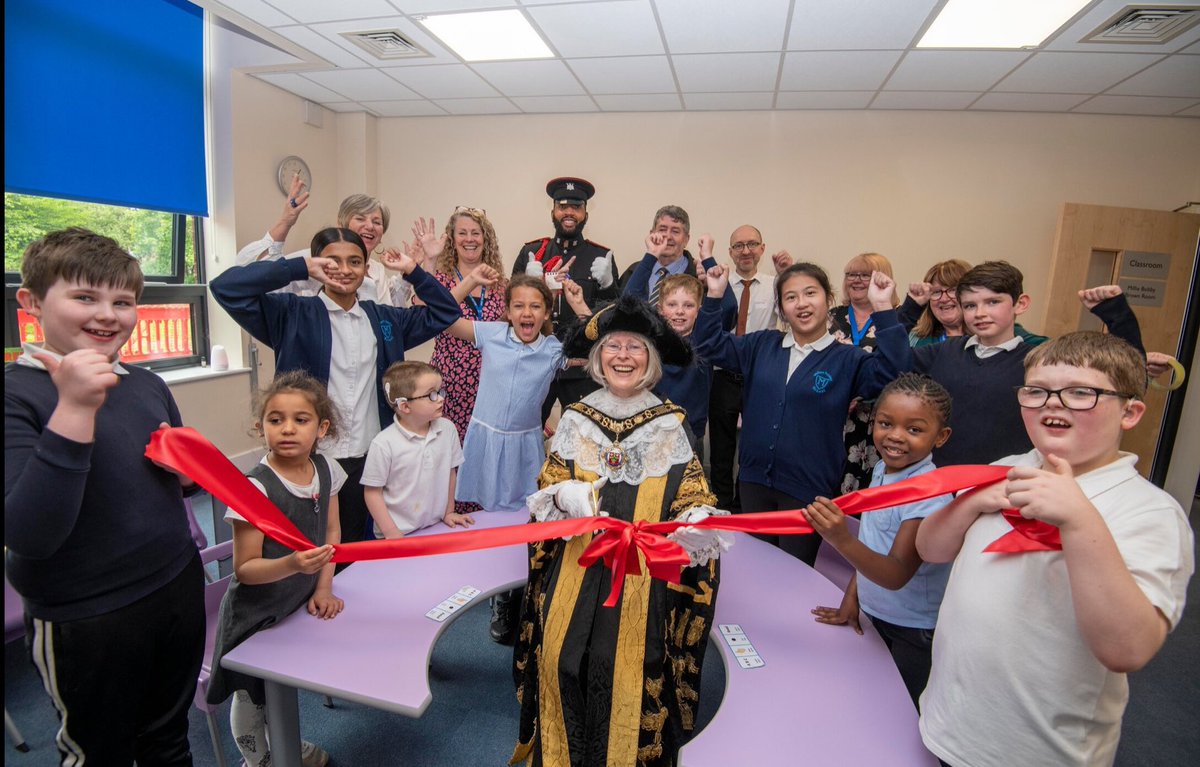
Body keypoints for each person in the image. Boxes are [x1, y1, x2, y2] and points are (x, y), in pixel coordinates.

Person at [916, 331, 1193, 767]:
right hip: (949, 722)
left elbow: (1128, 649)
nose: (1053, 403)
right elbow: (930, 549)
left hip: (1039, 750)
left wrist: (1079, 519)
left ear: (1130, 412)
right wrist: (972, 501)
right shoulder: (1005, 469)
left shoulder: (1149, 512)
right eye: (1037, 391)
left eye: (1082, 392)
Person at [6, 227, 205, 765]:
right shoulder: (15, 395)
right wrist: (74, 406)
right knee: (99, 751)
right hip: (86, 615)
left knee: (168, 737)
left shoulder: (145, 384)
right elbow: (30, 534)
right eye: (84, 297)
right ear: (31, 303)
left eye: (123, 301)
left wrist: (195, 472)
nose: (108, 315)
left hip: (173, 586)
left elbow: (176, 477)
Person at [512, 294, 732, 767]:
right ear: (597, 358)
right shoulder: (574, 417)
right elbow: (547, 484)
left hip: (641, 577)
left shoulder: (671, 425)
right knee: (561, 660)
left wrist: (696, 518)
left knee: (632, 667)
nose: (623, 356)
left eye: (636, 347)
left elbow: (694, 491)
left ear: (651, 362)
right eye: (614, 346)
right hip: (577, 564)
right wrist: (562, 493)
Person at [211, 227, 460, 552]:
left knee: (353, 544)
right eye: (332, 261)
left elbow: (446, 312)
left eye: (355, 261)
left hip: (366, 454)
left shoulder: (384, 318)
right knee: (305, 545)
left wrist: (414, 271)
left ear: (366, 266)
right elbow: (226, 288)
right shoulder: (291, 313)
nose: (344, 269)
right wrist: (297, 267)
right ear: (316, 264)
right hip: (312, 455)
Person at [692, 262, 910, 566]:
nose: (802, 303)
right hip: (754, 482)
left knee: (795, 575)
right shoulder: (761, 345)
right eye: (791, 297)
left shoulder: (847, 359)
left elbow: (895, 372)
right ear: (781, 307)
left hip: (809, 492)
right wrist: (713, 295)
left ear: (828, 299)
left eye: (811, 293)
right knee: (754, 568)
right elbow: (706, 343)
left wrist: (884, 308)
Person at [207, 371, 346, 767]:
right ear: (260, 426)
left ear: (321, 428)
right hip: (254, 613)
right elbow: (245, 569)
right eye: (275, 419)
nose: (287, 429)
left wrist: (322, 588)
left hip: (294, 603)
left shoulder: (326, 469)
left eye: (300, 420)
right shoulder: (255, 488)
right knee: (251, 695)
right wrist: (291, 563)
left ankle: (283, 744)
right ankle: (258, 760)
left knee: (279, 688)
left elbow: (331, 533)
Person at [443, 271, 590, 643]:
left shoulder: (554, 349)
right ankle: (494, 593)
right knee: (489, 515)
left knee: (523, 519)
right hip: (486, 440)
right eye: (519, 305)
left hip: (524, 446)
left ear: (546, 313)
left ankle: (515, 591)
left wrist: (578, 305)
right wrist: (470, 280)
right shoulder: (492, 334)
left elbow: (599, 344)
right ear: (507, 311)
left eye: (535, 306)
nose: (527, 313)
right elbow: (444, 316)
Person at [807, 373, 955, 708]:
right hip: (876, 612)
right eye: (886, 423)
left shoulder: (928, 496)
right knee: (868, 698)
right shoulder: (882, 470)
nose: (895, 437)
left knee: (899, 711)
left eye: (914, 429)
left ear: (941, 437)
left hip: (912, 630)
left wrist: (840, 539)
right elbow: (875, 542)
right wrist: (852, 598)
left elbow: (896, 573)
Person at [912, 262, 1144, 467]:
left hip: (1006, 479)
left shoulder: (1037, 360)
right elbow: (883, 367)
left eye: (993, 302)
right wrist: (908, 309)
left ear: (1020, 304)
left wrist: (1116, 315)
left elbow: (1128, 373)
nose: (980, 313)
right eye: (970, 306)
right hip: (942, 478)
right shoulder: (944, 351)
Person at [413, 207, 509, 514]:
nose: (469, 239)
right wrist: (428, 260)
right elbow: (422, 311)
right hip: (450, 382)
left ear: (486, 239)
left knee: (485, 452)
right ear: (452, 239)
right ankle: (449, 513)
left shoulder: (500, 283)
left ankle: (485, 517)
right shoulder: (439, 278)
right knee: (449, 453)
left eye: (475, 233)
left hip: (491, 384)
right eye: (462, 233)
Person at [511, 177, 620, 422]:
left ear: (585, 213)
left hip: (581, 367)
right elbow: (512, 310)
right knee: (526, 430)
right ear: (553, 211)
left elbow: (613, 316)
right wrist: (527, 286)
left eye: (576, 207)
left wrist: (609, 285)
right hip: (536, 362)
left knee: (584, 437)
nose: (569, 212)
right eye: (563, 206)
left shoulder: (600, 256)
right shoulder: (532, 252)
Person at [236, 179, 413, 306]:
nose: (370, 226)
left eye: (377, 222)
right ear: (341, 223)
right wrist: (285, 223)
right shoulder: (312, 260)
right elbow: (252, 277)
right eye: (360, 218)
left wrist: (411, 269)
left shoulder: (377, 270)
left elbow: (391, 313)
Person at [707, 225, 782, 510]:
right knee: (721, 449)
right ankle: (721, 504)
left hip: (759, 378)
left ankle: (745, 507)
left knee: (753, 447)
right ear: (730, 252)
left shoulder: (776, 285)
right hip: (722, 376)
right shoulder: (718, 284)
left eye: (752, 244)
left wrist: (786, 273)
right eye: (739, 246)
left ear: (762, 248)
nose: (746, 251)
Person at [361, 361, 472, 538]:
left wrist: (448, 512)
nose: (441, 398)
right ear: (405, 406)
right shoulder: (383, 444)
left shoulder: (447, 429)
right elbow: (373, 492)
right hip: (398, 534)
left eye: (440, 391)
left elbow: (451, 472)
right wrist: (391, 532)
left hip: (434, 528)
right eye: (431, 395)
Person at [829, 252, 899, 494]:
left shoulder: (894, 319)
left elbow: (898, 368)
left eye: (864, 275)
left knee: (868, 489)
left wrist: (861, 396)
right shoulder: (832, 317)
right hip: (832, 415)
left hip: (875, 420)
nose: (856, 280)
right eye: (851, 275)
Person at [621, 205, 738, 327]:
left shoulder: (700, 276)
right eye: (662, 229)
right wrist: (651, 255)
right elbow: (623, 311)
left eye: (675, 231)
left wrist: (708, 260)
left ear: (686, 239)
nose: (668, 236)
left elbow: (729, 314)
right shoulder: (633, 272)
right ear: (651, 234)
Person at [654, 273, 713, 453]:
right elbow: (629, 296)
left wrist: (710, 265)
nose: (680, 311)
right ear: (660, 309)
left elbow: (728, 306)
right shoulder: (651, 343)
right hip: (654, 429)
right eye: (672, 305)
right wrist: (651, 256)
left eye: (688, 305)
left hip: (692, 433)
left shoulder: (706, 344)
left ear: (699, 311)